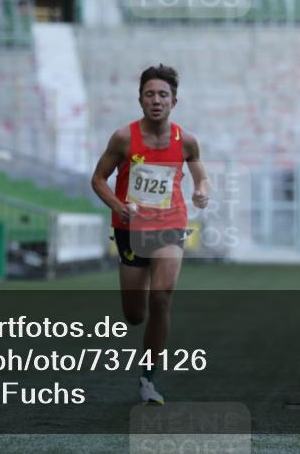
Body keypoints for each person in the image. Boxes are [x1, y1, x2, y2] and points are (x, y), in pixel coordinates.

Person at [91, 64, 210, 405]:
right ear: (140, 99)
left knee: (162, 297)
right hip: (130, 228)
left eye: (163, 95)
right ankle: (138, 292)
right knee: (135, 315)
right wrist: (117, 205)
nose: (156, 100)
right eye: (149, 94)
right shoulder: (124, 138)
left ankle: (148, 379)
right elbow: (98, 179)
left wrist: (202, 190)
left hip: (170, 225)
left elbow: (202, 176)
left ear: (174, 101)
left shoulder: (186, 141)